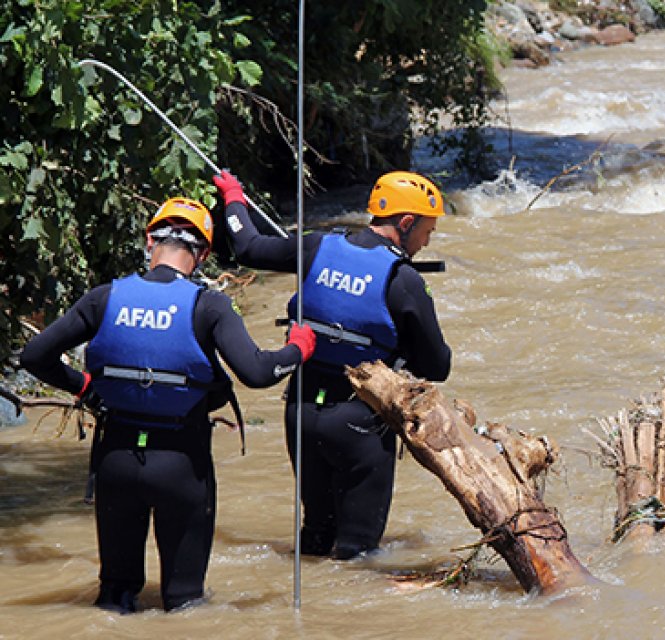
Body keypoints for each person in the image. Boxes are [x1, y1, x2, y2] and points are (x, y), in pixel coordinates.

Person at [20, 198, 316, 613]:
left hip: (116, 460)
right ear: (205, 253)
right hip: (182, 463)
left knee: (114, 598)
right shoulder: (209, 306)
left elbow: (33, 356)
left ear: (149, 241)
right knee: (184, 603)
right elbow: (258, 373)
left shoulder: (104, 297)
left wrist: (85, 387)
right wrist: (297, 350)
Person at [213, 169, 451, 560]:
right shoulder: (404, 279)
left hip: (301, 413)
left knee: (316, 536)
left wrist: (234, 196)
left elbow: (248, 246)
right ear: (406, 223)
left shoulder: (317, 246)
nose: (428, 241)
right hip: (359, 422)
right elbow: (438, 365)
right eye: (428, 230)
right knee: (358, 557)